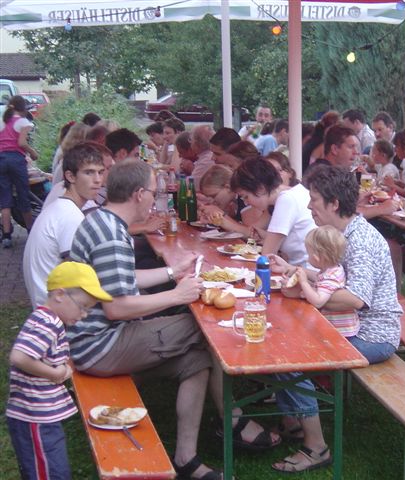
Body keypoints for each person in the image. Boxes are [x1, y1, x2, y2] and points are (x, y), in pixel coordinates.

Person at [69, 160, 279, 479]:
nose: (155, 200)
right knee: (205, 327)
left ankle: (186, 459)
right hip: (100, 345)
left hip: (99, 338)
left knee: (197, 360)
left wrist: (173, 271)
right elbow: (117, 308)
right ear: (139, 194)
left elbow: (122, 278)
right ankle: (234, 418)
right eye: (154, 192)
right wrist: (176, 296)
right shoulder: (111, 234)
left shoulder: (102, 221)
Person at [270, 165, 402, 473]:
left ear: (334, 203)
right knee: (281, 339)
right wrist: (294, 271)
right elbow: (333, 279)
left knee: (289, 357)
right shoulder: (345, 232)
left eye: (314, 199)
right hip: (348, 325)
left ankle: (316, 447)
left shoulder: (361, 240)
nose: (309, 206)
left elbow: (355, 298)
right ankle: (294, 421)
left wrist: (303, 291)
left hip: (372, 335)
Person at [7, 261, 113, 480]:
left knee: (53, 470)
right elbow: (19, 357)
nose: (84, 315)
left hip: (41, 415)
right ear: (59, 294)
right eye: (83, 306)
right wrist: (55, 374)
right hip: (35, 417)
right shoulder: (48, 323)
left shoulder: (49, 319)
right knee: (47, 473)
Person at [24, 143, 107, 308]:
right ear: (70, 176)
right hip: (58, 312)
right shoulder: (70, 217)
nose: (98, 180)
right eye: (89, 172)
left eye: (100, 172)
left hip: (50, 303)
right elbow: (80, 279)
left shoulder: (62, 207)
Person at [222, 158, 316, 266]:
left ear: (260, 189)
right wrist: (266, 236)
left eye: (246, 197)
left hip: (303, 270)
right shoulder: (295, 192)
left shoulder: (286, 200)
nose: (246, 202)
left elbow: (266, 256)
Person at [295, 226, 359, 337]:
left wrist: (304, 282)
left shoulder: (330, 277)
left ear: (317, 258)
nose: (307, 258)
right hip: (336, 327)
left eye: (309, 254)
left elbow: (318, 301)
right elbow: (321, 289)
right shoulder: (332, 270)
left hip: (340, 331)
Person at [0, 95, 39, 247]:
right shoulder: (23, 122)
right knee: (23, 196)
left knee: (5, 199)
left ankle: (6, 236)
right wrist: (33, 153)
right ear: (23, 109)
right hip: (16, 160)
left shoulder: (3, 122)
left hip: (1, 159)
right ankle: (31, 231)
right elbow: (21, 142)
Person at [190, 125, 215, 190]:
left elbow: (191, 186)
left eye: (191, 139)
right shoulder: (205, 157)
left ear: (196, 143)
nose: (190, 142)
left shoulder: (206, 160)